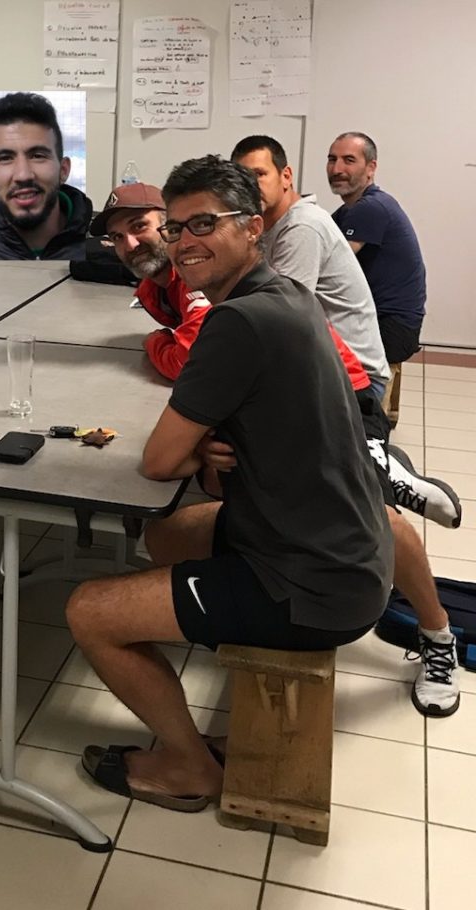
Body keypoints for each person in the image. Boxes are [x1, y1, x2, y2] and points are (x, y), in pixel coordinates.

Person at [67, 156, 393, 809]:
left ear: (251, 227)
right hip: (345, 547)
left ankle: (189, 767)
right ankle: (209, 626)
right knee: (166, 534)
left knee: (89, 612)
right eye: (176, 226)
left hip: (311, 582)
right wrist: (212, 447)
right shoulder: (285, 294)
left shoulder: (236, 322)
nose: (183, 241)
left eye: (204, 224)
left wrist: (194, 452)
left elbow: (159, 462)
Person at [231, 136, 461, 716]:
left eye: (258, 175)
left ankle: (438, 637)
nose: (249, 188)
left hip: (352, 382)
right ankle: (377, 469)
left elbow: (277, 318)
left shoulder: (302, 229)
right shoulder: (278, 226)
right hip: (319, 370)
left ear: (285, 176)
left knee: (367, 512)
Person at [91, 182, 210, 380]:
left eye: (139, 226)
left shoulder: (197, 274)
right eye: (117, 237)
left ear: (170, 226)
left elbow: (187, 366)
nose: (130, 245)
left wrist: (155, 341)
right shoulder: (153, 288)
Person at [327, 132, 427, 366]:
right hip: (383, 322)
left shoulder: (371, 207)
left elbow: (330, 267)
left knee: (296, 345)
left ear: (371, 168)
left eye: (349, 160)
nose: (337, 169)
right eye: (332, 159)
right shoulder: (348, 211)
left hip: (391, 330)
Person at [0, 92, 92, 261]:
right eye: (5, 158)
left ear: (63, 170)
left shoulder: (105, 249)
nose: (23, 175)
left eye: (37, 156)